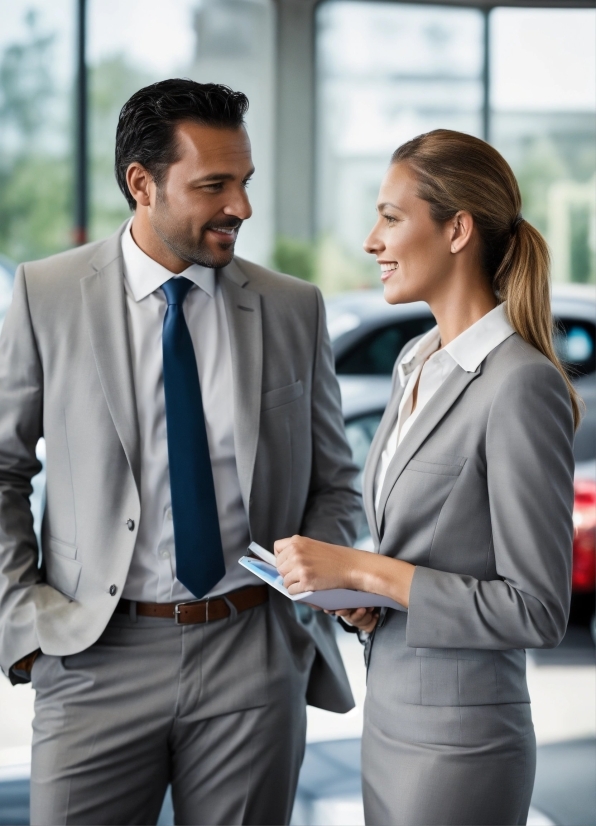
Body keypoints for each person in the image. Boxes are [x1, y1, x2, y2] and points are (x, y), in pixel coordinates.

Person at [0, 79, 361, 826]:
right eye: (214, 185)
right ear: (142, 183)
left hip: (250, 653)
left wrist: (310, 586)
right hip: (95, 655)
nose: (242, 207)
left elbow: (335, 481)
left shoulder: (293, 307)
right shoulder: (48, 294)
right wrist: (25, 624)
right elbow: (3, 468)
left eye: (245, 182)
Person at [275, 129, 578, 826]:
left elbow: (537, 609)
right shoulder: (415, 360)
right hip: (391, 720)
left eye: (390, 217)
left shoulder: (519, 384)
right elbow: (428, 555)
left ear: (457, 230)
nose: (370, 241)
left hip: (464, 744)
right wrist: (364, 596)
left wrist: (373, 572)